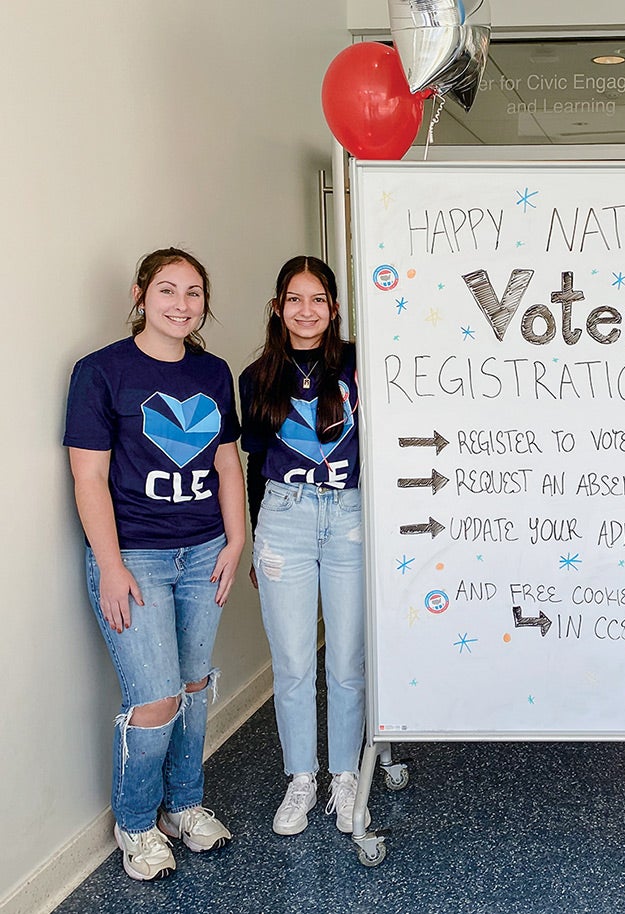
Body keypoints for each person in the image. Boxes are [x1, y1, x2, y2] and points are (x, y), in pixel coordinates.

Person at [65, 248, 243, 880]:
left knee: (194, 686)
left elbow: (226, 461)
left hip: (203, 553)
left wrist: (236, 539)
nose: (181, 304)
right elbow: (89, 481)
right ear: (141, 295)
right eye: (167, 290)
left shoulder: (215, 372)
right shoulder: (101, 373)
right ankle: (136, 824)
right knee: (156, 701)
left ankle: (185, 805)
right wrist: (110, 568)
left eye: (194, 292)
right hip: (134, 558)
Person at [239, 256, 367, 836]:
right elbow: (253, 464)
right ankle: (302, 778)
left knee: (346, 660)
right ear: (277, 307)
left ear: (334, 308)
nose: (307, 310)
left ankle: (345, 775)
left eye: (319, 299)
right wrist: (253, 538)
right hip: (283, 519)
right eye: (295, 299)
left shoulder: (362, 365)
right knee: (292, 663)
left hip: (349, 516)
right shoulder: (256, 377)